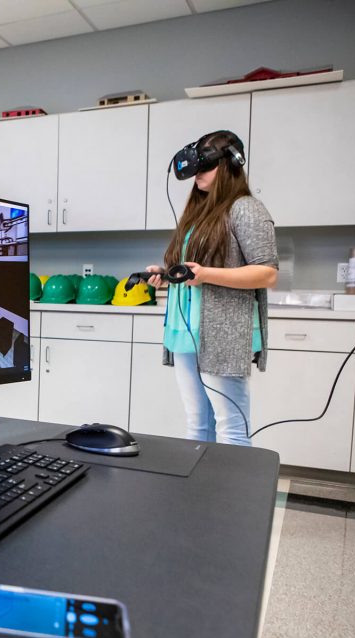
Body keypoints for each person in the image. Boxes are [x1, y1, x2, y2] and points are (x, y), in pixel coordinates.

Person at [146, 130, 278, 446]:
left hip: (221, 332)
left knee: (231, 428)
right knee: (197, 426)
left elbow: (267, 273)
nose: (197, 177)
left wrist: (205, 275)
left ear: (231, 164)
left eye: (204, 168)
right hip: (183, 331)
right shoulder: (197, 215)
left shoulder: (245, 208)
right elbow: (199, 269)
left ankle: (236, 496)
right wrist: (169, 275)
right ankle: (202, 496)